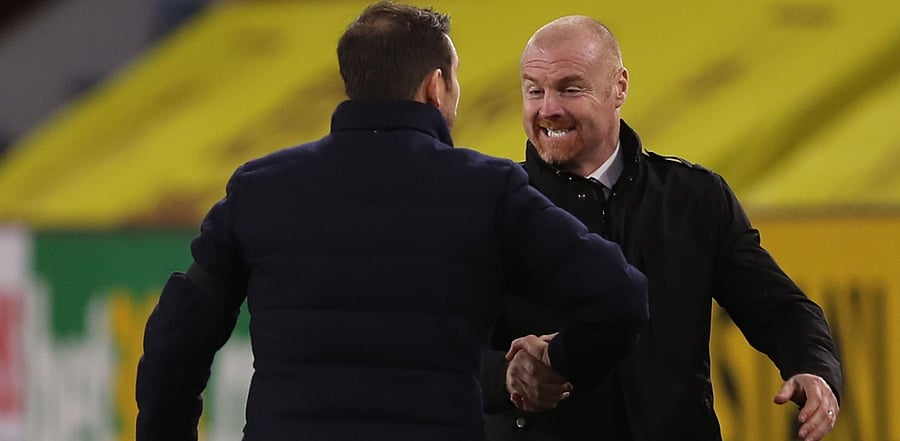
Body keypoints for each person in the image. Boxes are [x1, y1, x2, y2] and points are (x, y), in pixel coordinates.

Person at [135, 3, 650, 441]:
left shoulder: (260, 188)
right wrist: (558, 362)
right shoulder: (486, 190)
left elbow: (173, 345)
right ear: (435, 87)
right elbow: (620, 298)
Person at [481, 15, 843, 441]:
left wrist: (814, 368)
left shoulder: (694, 197)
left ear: (619, 87)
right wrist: (504, 375)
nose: (548, 109)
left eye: (570, 89)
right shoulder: (490, 206)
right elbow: (431, 344)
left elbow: (779, 308)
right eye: (534, 90)